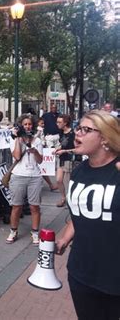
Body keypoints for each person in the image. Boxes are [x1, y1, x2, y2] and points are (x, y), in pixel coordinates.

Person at [55, 110, 120, 320]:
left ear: (105, 138)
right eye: (77, 128)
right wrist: (65, 237)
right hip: (81, 273)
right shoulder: (79, 172)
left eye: (85, 129)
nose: (77, 134)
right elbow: (80, 212)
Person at [5, 114, 43, 245]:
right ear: (21, 126)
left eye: (30, 124)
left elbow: (40, 160)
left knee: (34, 207)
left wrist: (35, 151)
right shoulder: (15, 139)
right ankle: (13, 231)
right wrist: (18, 140)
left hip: (35, 176)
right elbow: (16, 156)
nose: (28, 126)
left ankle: (35, 232)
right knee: (17, 206)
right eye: (25, 124)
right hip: (18, 175)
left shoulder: (37, 140)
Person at [54, 114, 76, 207]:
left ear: (65, 123)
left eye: (59, 122)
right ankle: (63, 197)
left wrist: (64, 151)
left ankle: (70, 199)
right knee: (59, 180)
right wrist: (58, 149)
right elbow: (62, 144)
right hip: (62, 158)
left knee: (68, 181)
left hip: (69, 160)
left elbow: (77, 149)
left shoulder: (73, 134)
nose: (57, 124)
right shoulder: (61, 132)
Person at [35, 117, 58, 191]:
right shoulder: (38, 130)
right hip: (37, 150)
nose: (43, 124)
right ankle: (50, 185)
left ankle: (50, 185)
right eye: (41, 123)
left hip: (41, 149)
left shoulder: (42, 130)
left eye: (43, 123)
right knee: (41, 168)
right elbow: (36, 138)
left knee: (42, 168)